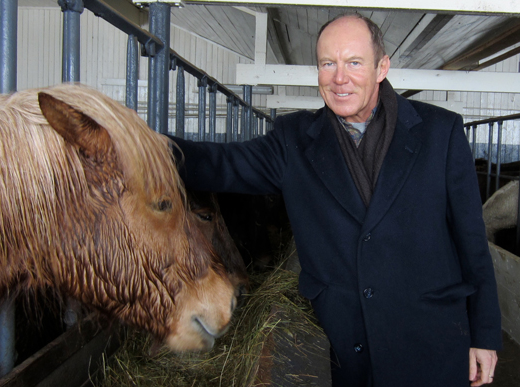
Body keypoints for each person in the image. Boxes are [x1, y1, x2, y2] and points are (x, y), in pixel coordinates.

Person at [168, 13, 501, 387]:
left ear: (381, 67)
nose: (339, 77)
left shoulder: (441, 133)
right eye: (328, 63)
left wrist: (485, 335)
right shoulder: (293, 140)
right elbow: (219, 164)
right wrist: (134, 144)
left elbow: (472, 242)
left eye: (354, 63)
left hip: (433, 339)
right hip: (351, 346)